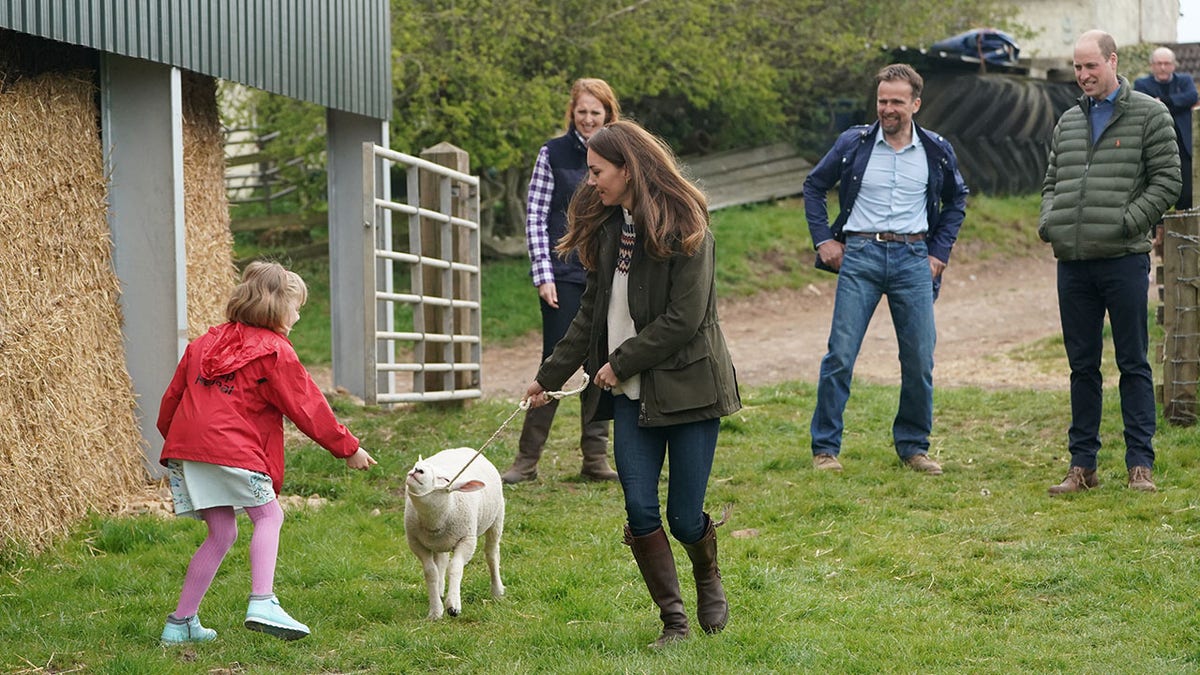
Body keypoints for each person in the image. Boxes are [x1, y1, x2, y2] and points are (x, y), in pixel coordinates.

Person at [523, 120, 741, 648]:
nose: (592, 181)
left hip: (691, 391)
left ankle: (707, 575)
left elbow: (684, 318)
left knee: (684, 516)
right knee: (640, 510)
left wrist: (619, 363)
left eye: (599, 171)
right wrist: (546, 378)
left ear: (629, 168)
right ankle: (675, 622)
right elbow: (590, 312)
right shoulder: (607, 227)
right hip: (628, 397)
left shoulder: (688, 226)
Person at [157, 261, 377, 644]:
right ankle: (262, 600)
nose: (297, 315)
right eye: (295, 306)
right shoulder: (275, 352)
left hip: (189, 448)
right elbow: (307, 406)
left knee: (221, 533)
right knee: (269, 516)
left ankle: (180, 624)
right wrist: (348, 448)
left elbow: (171, 401)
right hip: (231, 446)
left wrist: (185, 447)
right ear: (277, 306)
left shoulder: (201, 344)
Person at [803, 63, 969, 475]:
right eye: (882, 101)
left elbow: (957, 200)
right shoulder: (853, 143)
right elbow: (813, 185)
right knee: (840, 355)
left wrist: (939, 254)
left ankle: (914, 447)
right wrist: (824, 240)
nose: (888, 109)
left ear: (915, 103)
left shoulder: (935, 150)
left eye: (897, 101)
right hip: (859, 255)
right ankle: (825, 449)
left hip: (915, 259)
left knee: (918, 359)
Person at [1040, 30, 1181, 495]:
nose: (1082, 76)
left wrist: (1128, 223)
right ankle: (1082, 466)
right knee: (1082, 367)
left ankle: (1140, 464)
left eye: (1090, 67)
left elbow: (1167, 181)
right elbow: (1052, 181)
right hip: (1073, 263)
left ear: (1112, 61)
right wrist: (1051, 224)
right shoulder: (1068, 122)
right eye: (1077, 68)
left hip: (1123, 259)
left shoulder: (1150, 114)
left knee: (1133, 362)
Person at [503, 78, 622, 484]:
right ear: (572, 112)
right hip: (563, 275)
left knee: (600, 359)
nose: (589, 119)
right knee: (555, 361)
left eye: (596, 113)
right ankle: (527, 459)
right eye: (583, 111)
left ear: (608, 115)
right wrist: (543, 273)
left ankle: (594, 456)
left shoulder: (619, 154)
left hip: (605, 274)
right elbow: (536, 215)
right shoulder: (552, 154)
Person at [1134, 47, 1197, 212]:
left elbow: (1192, 96)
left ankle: (1184, 226)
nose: (1163, 67)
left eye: (1166, 63)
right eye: (1159, 63)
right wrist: (1176, 104)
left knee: (1187, 191)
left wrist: (1162, 102)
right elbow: (1142, 105)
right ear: (1152, 65)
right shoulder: (1142, 84)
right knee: (1157, 187)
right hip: (1156, 143)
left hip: (1183, 145)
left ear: (1173, 65)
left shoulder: (1184, 80)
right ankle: (1158, 233)